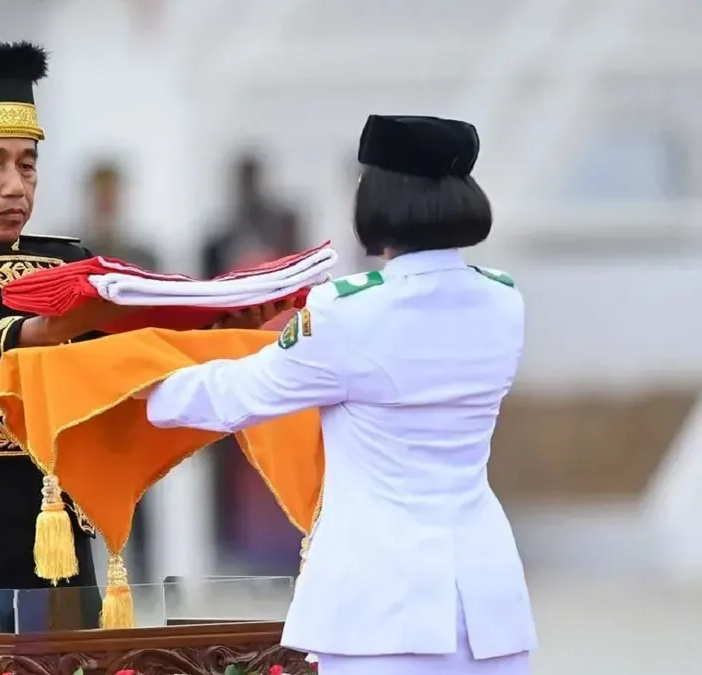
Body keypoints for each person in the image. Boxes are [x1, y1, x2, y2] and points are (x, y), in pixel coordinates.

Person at [0, 39, 281, 653]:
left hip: (53, 546)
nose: (14, 186)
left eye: (27, 165)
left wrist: (234, 321)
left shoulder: (69, 263)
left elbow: (140, 346)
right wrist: (46, 327)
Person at [137, 115, 536, 674]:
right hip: (488, 604)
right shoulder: (504, 303)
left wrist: (134, 378)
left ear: (377, 203)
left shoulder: (349, 313)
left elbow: (237, 395)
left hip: (381, 609)